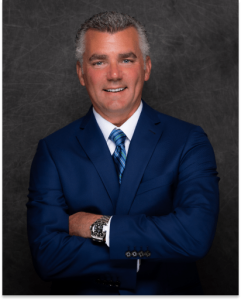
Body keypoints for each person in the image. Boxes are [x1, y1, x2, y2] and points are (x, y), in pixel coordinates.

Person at [26, 11, 219, 297]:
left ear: (146, 68)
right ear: (81, 72)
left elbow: (195, 235)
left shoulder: (188, 141)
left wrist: (96, 226)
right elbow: (48, 256)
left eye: (126, 59)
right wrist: (142, 254)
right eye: (99, 61)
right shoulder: (53, 151)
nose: (114, 74)